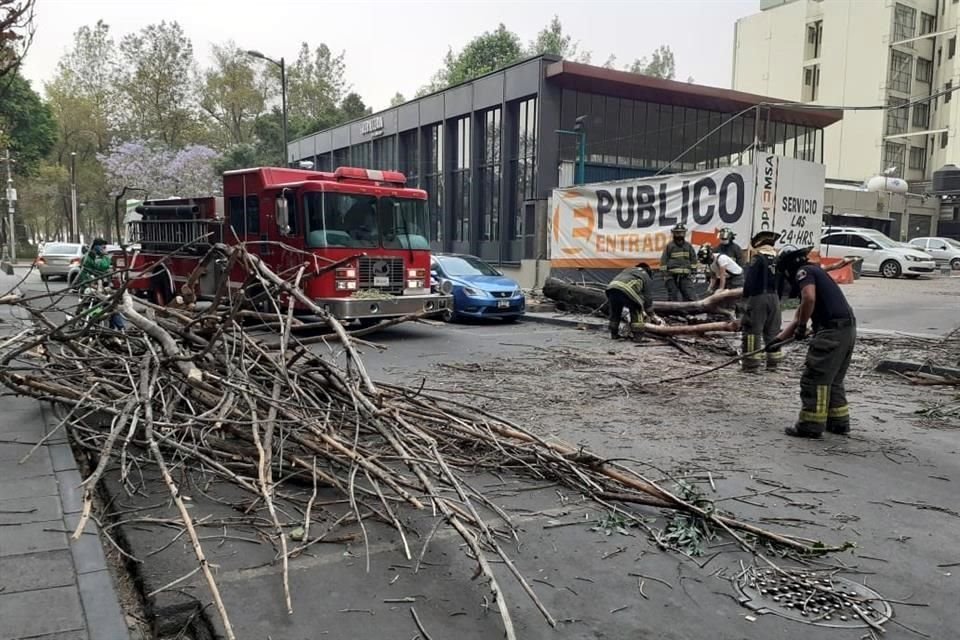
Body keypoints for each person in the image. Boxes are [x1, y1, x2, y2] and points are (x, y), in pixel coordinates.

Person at [773, 246, 856, 438]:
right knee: (833, 380)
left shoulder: (804, 272)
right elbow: (798, 316)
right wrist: (777, 341)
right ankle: (838, 423)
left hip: (831, 331)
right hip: (846, 329)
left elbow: (809, 298)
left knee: (815, 378)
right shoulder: (816, 271)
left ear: (788, 267)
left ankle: (811, 424)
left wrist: (803, 327)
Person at [740, 231, 783, 372]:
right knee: (773, 332)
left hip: (759, 297)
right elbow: (783, 283)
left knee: (753, 331)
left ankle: (750, 365)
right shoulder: (778, 260)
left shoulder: (757, 258)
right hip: (775, 298)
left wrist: (745, 299)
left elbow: (750, 281)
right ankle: (773, 364)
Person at [77, 238, 125, 331]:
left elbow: (108, 270)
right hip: (90, 288)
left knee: (112, 307)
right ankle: (87, 321)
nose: (104, 249)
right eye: (102, 247)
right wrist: (90, 284)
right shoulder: (87, 258)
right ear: (96, 247)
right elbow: (84, 274)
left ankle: (120, 329)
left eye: (105, 247)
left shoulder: (105, 258)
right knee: (93, 306)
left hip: (103, 288)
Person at [605, 262, 662, 339]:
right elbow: (647, 297)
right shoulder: (645, 275)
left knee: (615, 312)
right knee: (637, 308)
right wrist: (651, 313)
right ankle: (638, 337)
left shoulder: (628, 269)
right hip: (627, 289)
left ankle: (614, 334)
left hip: (611, 288)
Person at [660, 222, 697, 301]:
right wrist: (665, 275)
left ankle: (689, 311)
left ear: (684, 233)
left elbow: (693, 259)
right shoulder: (669, 246)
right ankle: (673, 311)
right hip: (671, 275)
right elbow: (664, 260)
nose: (679, 235)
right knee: (673, 294)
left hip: (685, 275)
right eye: (677, 233)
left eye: (681, 233)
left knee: (689, 294)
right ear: (674, 233)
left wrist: (693, 272)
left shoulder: (688, 246)